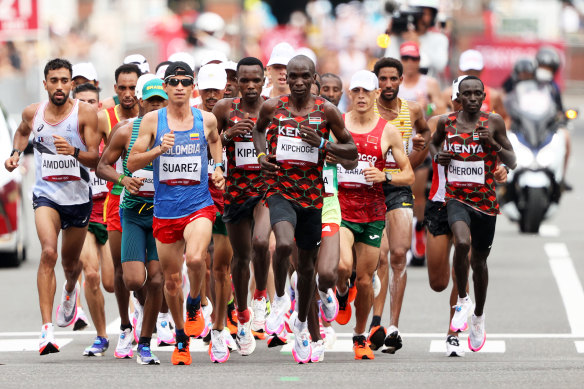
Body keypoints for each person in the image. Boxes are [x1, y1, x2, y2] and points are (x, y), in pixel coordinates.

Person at [253, 55, 358, 363]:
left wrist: (323, 146)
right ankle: (282, 299)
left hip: (313, 197)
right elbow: (259, 130)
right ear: (286, 78)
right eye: (292, 76)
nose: (298, 81)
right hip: (280, 190)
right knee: (283, 244)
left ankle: (301, 326)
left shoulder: (326, 111)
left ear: (314, 79)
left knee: (310, 269)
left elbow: (351, 153)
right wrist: (261, 155)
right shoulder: (273, 107)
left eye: (304, 76)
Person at [127, 61, 225, 365]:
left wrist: (218, 166)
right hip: (166, 210)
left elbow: (215, 140)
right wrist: (158, 150)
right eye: (173, 81)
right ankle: (181, 339)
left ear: (192, 87)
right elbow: (131, 164)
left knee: (196, 259)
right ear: (165, 87)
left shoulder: (206, 119)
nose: (180, 86)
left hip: (199, 204)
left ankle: (195, 302)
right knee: (170, 281)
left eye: (185, 81)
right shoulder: (152, 122)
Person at [4, 58, 100, 355]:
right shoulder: (33, 113)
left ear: (72, 84)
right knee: (48, 252)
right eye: (53, 80)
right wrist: (15, 153)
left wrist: (72, 151)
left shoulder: (86, 114)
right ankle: (46, 332)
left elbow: (95, 159)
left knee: (71, 266)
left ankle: (70, 291)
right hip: (47, 195)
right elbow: (21, 131)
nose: (59, 86)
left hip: (78, 198)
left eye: (64, 81)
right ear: (45, 84)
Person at [430, 75, 516, 352]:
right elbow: (434, 144)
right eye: (466, 94)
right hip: (457, 198)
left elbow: (512, 160)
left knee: (479, 263)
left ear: (483, 96)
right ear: (458, 97)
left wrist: (492, 142)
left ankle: (478, 315)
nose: (472, 99)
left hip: (486, 203)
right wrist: (438, 155)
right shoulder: (447, 122)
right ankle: (463, 300)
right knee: (462, 243)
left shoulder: (493, 122)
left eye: (477, 94)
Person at [335, 70, 414, 360]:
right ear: (349, 93)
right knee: (343, 267)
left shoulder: (388, 130)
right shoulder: (339, 123)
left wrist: (385, 175)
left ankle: (359, 335)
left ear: (376, 94)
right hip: (342, 208)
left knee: (366, 280)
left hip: (372, 211)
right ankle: (342, 294)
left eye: (366, 92)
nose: (360, 96)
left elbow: (408, 174)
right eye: (355, 91)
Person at [97, 77, 170, 364]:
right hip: (133, 213)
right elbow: (103, 165)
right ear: (141, 101)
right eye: (151, 100)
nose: (155, 105)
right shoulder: (126, 130)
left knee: (156, 279)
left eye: (160, 101)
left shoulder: (177, 132)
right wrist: (123, 178)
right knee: (132, 280)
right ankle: (141, 313)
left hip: (164, 213)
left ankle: (145, 343)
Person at [366, 57, 430, 353]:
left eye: (393, 79)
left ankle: (393, 327)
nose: (388, 85)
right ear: (375, 81)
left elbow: (425, 133)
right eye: (382, 79)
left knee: (399, 255)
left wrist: (417, 155)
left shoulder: (412, 109)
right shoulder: (365, 110)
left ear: (402, 79)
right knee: (380, 257)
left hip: (399, 188)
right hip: (371, 188)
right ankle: (374, 320)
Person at [212, 57, 273, 355]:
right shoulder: (224, 109)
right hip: (236, 191)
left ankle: (261, 295)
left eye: (255, 80)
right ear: (235, 82)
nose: (250, 86)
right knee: (241, 257)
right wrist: (226, 137)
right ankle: (243, 314)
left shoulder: (274, 108)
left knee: (262, 243)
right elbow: (208, 145)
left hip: (266, 188)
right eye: (244, 80)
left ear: (264, 81)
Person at [97, 63, 141, 358]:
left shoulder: (151, 116)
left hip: (148, 201)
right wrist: (121, 179)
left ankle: (148, 318)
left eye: (132, 88)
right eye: (122, 88)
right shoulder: (106, 117)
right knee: (117, 272)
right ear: (115, 89)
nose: (128, 94)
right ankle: (125, 326)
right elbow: (98, 161)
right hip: (115, 198)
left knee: (148, 269)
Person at [70, 82, 116, 353]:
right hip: (82, 214)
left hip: (108, 211)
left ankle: (132, 319)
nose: (86, 106)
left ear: (99, 105)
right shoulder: (66, 136)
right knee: (92, 274)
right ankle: (101, 336)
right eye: (81, 102)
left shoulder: (110, 133)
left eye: (92, 101)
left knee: (112, 281)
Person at [194, 63, 236, 353]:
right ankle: (202, 311)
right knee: (201, 261)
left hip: (228, 199)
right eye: (206, 90)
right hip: (196, 199)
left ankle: (220, 327)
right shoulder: (191, 118)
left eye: (215, 90)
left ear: (225, 89)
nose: (211, 95)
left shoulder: (236, 116)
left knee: (221, 267)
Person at [385, 0, 448, 77]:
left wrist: (418, 44)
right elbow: (389, 63)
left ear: (433, 16)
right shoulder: (400, 37)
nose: (422, 18)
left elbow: (440, 66)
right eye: (419, 14)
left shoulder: (440, 39)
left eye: (427, 14)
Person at [442, 50, 508, 121]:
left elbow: (505, 119)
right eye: (468, 71)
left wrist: (499, 131)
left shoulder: (493, 96)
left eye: (475, 71)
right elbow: (439, 119)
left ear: (482, 70)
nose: (471, 75)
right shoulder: (447, 94)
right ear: (460, 70)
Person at [398, 41, 445, 117]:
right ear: (400, 60)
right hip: (398, 128)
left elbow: (442, 112)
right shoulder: (393, 83)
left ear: (419, 60)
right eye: (405, 58)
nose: (410, 62)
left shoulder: (430, 83)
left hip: (422, 128)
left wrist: (427, 107)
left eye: (414, 58)